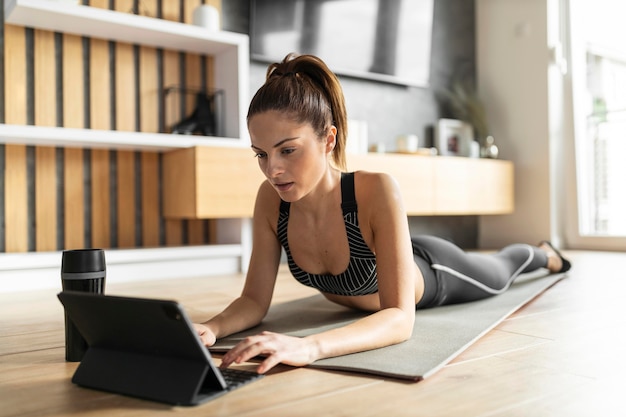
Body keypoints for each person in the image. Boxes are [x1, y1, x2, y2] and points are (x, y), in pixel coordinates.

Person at [194, 53, 571, 374]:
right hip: (388, 266)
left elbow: (399, 317)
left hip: (434, 271)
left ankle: (544, 253)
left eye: (287, 150)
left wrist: (309, 347)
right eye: (260, 153)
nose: (272, 169)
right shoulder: (270, 201)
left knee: (503, 269)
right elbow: (253, 301)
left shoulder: (374, 190)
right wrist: (212, 328)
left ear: (328, 139)